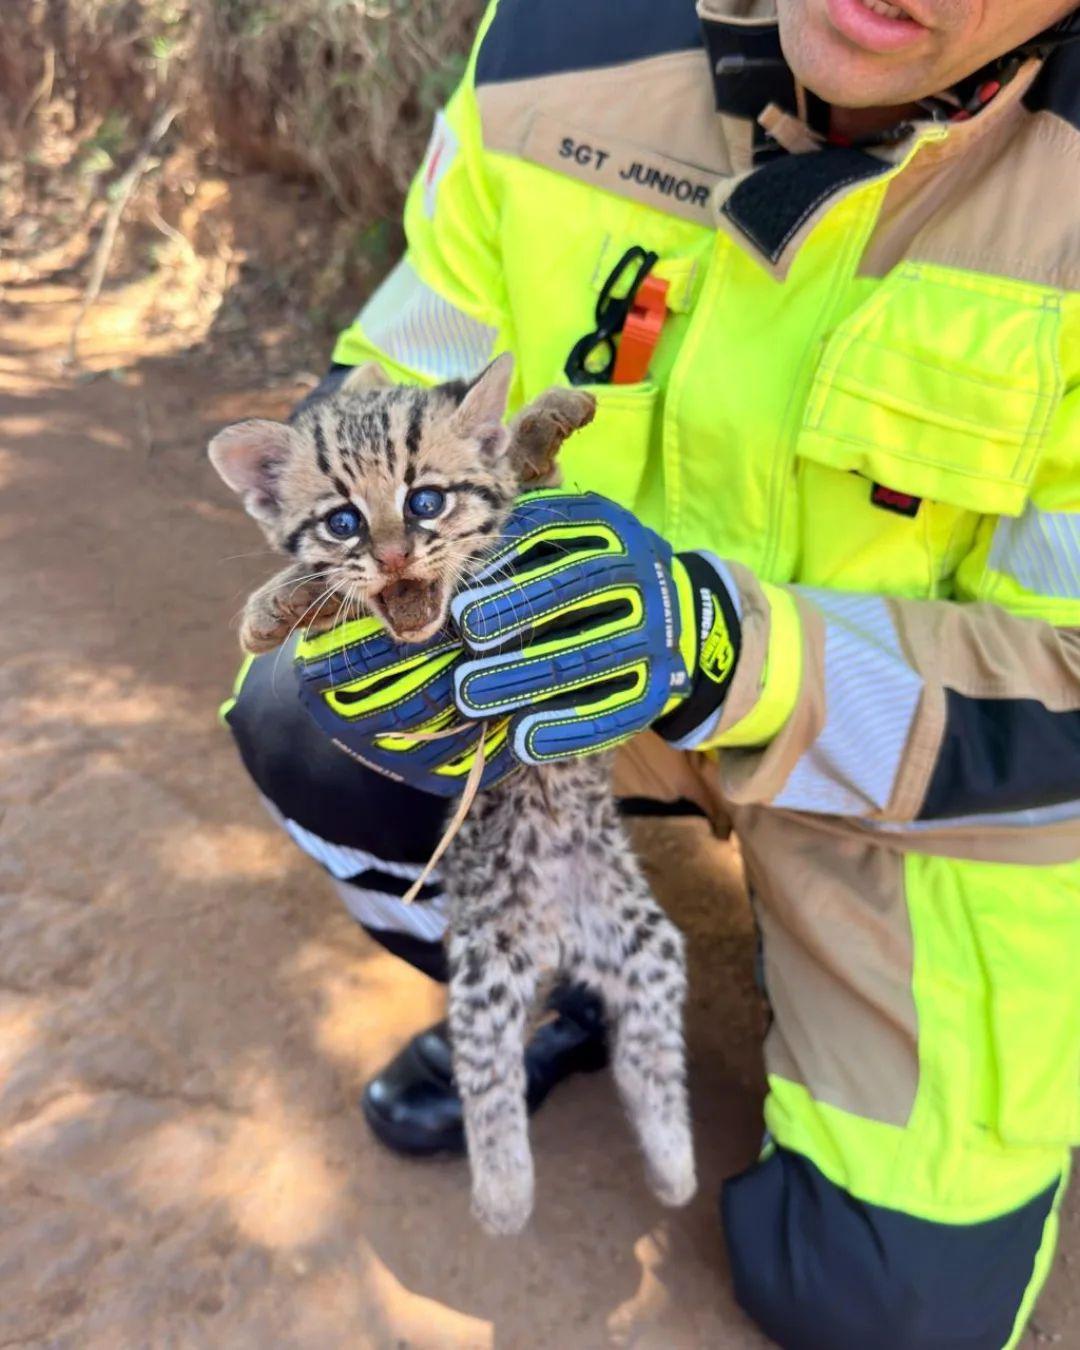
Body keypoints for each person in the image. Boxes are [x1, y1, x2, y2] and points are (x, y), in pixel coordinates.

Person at [222, 2, 1080, 1345]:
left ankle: (833, 985)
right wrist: (384, 542)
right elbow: (396, 370)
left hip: (925, 764)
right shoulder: (554, 35)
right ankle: (553, 968)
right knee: (321, 711)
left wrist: (727, 650)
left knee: (878, 1306)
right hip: (582, 655)